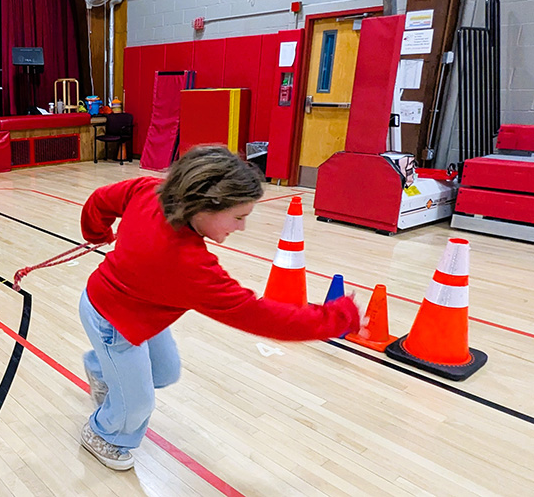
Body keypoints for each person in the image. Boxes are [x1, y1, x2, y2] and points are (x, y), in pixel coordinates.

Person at [77, 145, 361, 471]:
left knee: (165, 372)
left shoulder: (150, 190)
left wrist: (96, 231)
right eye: (239, 217)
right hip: (112, 322)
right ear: (206, 206)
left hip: (138, 313)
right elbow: (262, 317)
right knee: (137, 405)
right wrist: (337, 318)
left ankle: (101, 368)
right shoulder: (189, 266)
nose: (241, 228)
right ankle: (103, 433)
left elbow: (101, 200)